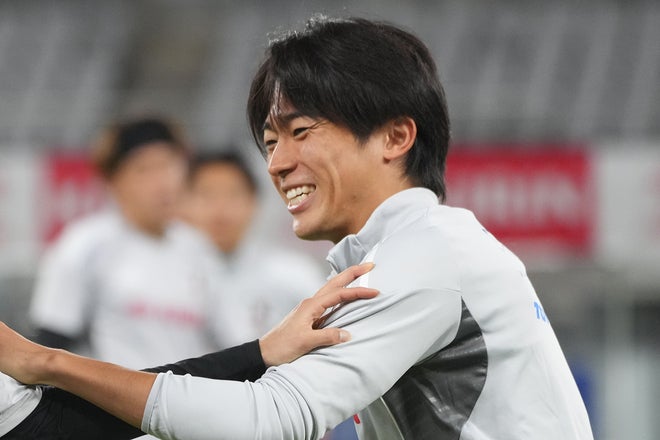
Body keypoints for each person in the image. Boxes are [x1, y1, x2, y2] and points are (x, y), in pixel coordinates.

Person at [0, 16, 593, 440]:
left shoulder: (429, 256)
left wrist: (47, 364)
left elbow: (272, 419)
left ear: (395, 137)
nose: (277, 164)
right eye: (269, 141)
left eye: (300, 131)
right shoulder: (403, 254)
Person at [0, 264, 378, 438]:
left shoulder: (195, 253)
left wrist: (259, 353)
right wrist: (259, 355)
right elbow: (54, 417)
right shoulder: (90, 244)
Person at [29, 117, 234, 369]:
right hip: (109, 394)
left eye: (169, 165)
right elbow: (51, 343)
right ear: (113, 181)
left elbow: (228, 340)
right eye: (144, 169)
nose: (162, 183)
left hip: (186, 393)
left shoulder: (199, 250)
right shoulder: (86, 246)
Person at [181, 150, 326, 343]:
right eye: (207, 194)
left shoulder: (292, 273)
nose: (220, 208)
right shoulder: (168, 276)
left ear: (254, 201)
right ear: (183, 202)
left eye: (233, 194)